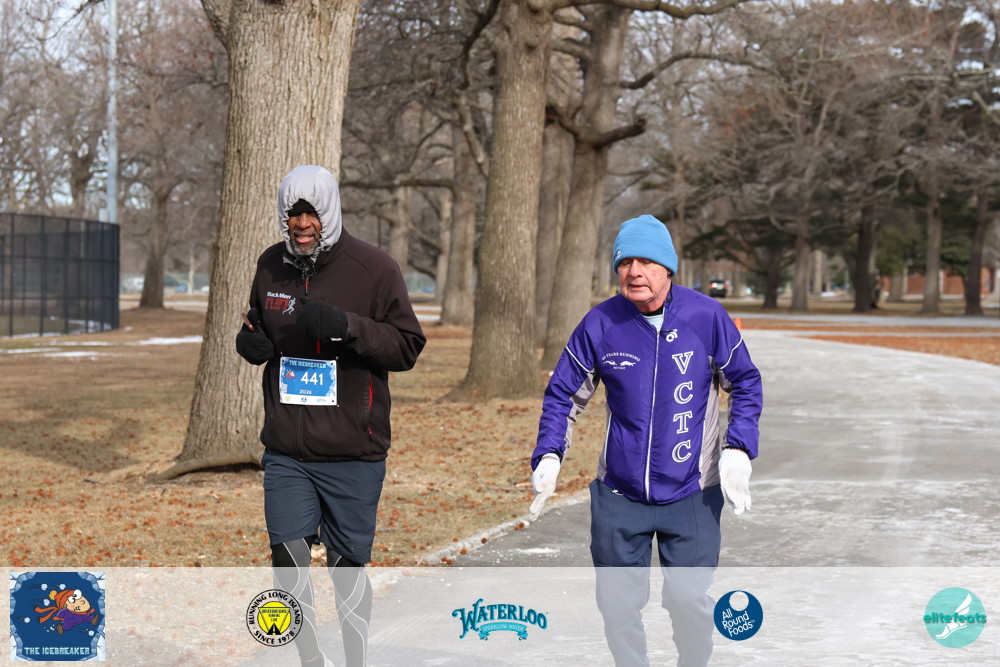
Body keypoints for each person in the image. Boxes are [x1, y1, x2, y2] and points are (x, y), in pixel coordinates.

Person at [529, 214, 762, 666]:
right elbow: (563, 394)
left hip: (692, 491)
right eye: (625, 262)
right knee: (617, 607)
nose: (635, 272)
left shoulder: (706, 317)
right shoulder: (601, 323)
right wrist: (550, 454)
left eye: (647, 262)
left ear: (668, 269)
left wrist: (738, 448)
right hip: (620, 494)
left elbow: (745, 383)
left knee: (688, 602)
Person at [235, 165, 426, 667]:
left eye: (311, 213)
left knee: (346, 570)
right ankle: (311, 659)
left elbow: (408, 346)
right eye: (293, 213)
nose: (302, 223)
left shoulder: (374, 268)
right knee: (287, 563)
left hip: (352, 451)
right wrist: (251, 343)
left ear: (330, 212)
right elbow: (257, 321)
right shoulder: (270, 265)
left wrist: (348, 327)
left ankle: (355, 659)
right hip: (287, 451)